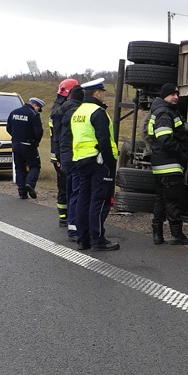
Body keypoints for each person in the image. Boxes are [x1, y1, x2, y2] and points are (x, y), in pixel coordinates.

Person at [70, 78, 119, 251]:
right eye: (103, 92)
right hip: (99, 161)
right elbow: (104, 139)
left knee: (84, 200)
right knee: (99, 200)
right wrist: (110, 162)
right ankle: (98, 239)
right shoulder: (98, 112)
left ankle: (83, 239)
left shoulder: (78, 112)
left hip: (81, 160)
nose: (103, 95)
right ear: (97, 93)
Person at [148, 83, 188, 245]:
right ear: (164, 96)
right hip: (170, 164)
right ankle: (176, 235)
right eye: (172, 94)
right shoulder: (165, 113)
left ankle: (158, 235)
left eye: (177, 94)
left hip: (160, 165)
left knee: (161, 200)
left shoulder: (161, 111)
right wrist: (182, 155)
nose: (175, 97)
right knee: (173, 200)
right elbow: (165, 139)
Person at [50, 79, 79, 226]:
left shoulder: (57, 108)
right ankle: (65, 216)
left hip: (58, 153)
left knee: (64, 186)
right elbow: (59, 136)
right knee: (65, 187)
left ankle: (65, 215)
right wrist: (61, 156)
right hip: (61, 154)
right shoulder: (63, 111)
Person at [58, 84, 85, 242]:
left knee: (70, 191)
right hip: (75, 157)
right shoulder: (76, 112)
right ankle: (74, 229)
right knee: (77, 192)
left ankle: (71, 225)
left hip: (65, 157)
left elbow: (58, 137)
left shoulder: (60, 110)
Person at [6, 97, 45, 199]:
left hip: (15, 144)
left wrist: (16, 137)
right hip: (28, 145)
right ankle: (30, 184)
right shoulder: (33, 114)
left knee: (20, 168)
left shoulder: (14, 112)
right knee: (35, 166)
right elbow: (39, 132)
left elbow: (8, 128)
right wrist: (35, 141)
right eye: (39, 108)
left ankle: (22, 192)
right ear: (36, 105)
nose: (38, 110)